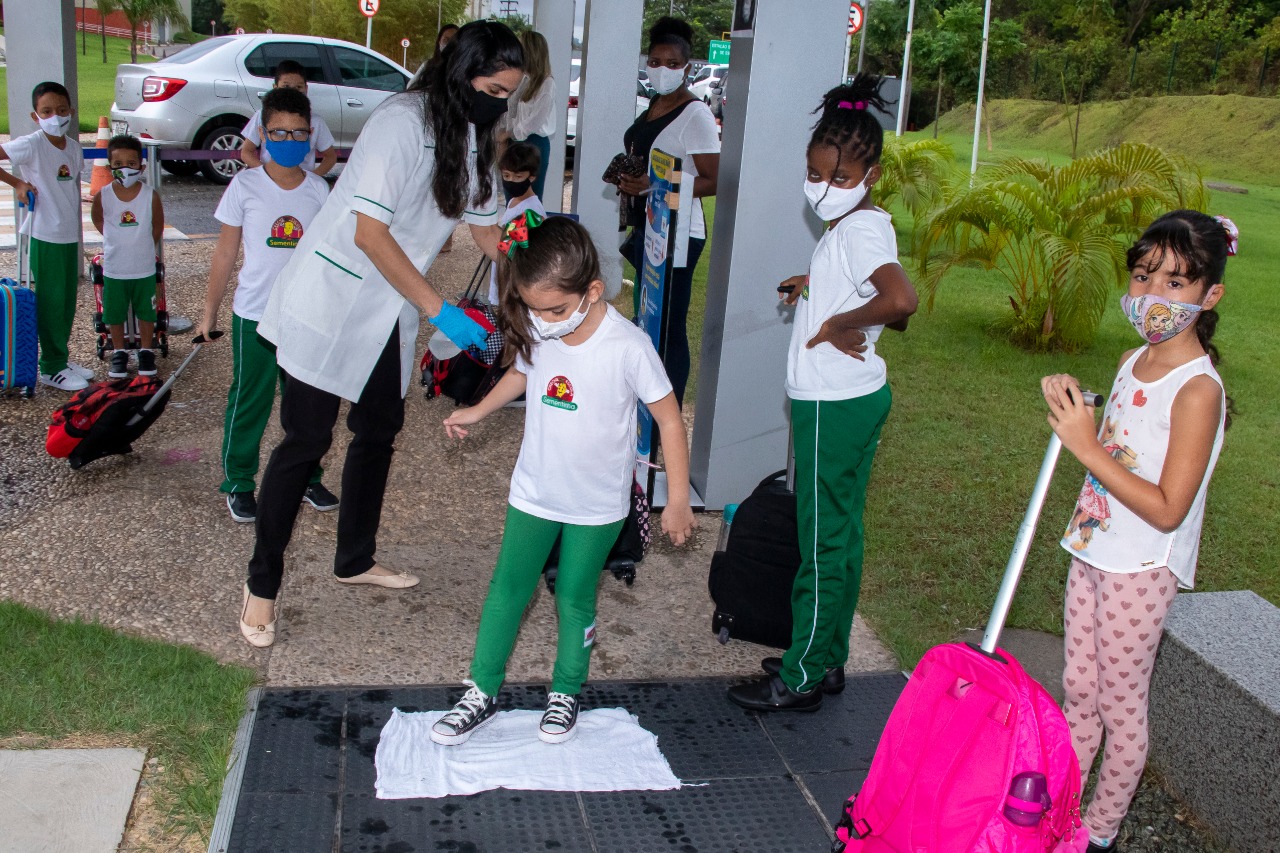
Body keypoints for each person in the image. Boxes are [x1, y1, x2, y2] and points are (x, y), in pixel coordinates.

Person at [235, 21, 523, 649]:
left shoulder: (474, 138)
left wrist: (537, 278)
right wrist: (444, 312)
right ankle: (262, 587)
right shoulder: (400, 122)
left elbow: (486, 230)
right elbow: (371, 234)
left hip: (390, 306)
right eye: (496, 90)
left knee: (378, 432)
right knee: (305, 441)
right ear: (462, 74)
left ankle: (355, 559)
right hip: (333, 297)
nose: (502, 104)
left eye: (510, 94)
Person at [431, 214, 696, 746]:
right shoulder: (539, 325)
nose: (541, 320)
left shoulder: (628, 345)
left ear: (592, 291)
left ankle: (565, 691)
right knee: (508, 589)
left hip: (597, 503)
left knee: (575, 596)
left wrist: (679, 499)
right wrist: (478, 410)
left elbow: (668, 416)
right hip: (535, 491)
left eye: (553, 309)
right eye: (531, 308)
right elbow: (522, 372)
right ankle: (481, 690)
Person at [1043, 211, 1234, 853]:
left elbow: (1168, 508)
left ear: (1210, 297)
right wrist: (1083, 414)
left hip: (1142, 567)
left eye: (1176, 283)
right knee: (1079, 690)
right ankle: (1061, 809)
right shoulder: (1134, 360)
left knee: (1121, 707)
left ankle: (1099, 832)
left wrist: (1084, 447)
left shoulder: (1197, 390)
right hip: (1094, 546)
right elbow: (1123, 450)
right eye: (1144, 275)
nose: (1153, 297)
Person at [728, 76, 918, 713]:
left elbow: (900, 302)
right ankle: (828, 655)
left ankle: (802, 673)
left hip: (829, 408)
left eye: (839, 178)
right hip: (855, 399)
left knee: (820, 542)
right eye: (815, 173)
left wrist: (836, 324)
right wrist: (814, 287)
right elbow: (860, 283)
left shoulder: (861, 231)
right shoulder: (860, 225)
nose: (823, 187)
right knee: (842, 534)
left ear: (872, 174)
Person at [196, 88, 340, 524]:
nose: (290, 140)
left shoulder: (319, 190)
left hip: (304, 314)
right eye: (280, 132)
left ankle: (306, 475)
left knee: (307, 403)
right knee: (250, 399)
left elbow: (331, 255)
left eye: (299, 133)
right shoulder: (244, 185)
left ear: (311, 135)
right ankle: (239, 481)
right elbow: (224, 254)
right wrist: (209, 311)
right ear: (262, 133)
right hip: (255, 314)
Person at [614, 17, 720, 407]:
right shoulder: (656, 103)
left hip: (678, 237)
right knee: (649, 321)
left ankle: (667, 412)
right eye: (655, 61)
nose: (662, 69)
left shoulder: (697, 115)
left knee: (669, 326)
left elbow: (714, 179)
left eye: (672, 63)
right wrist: (635, 182)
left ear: (687, 68)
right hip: (652, 228)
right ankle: (646, 400)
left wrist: (654, 186)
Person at [0, 82, 92, 391]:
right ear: (35, 115)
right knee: (51, 302)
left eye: (61, 110)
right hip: (44, 235)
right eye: (47, 111)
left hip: (68, 235)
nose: (55, 116)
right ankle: (50, 367)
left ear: (71, 112)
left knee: (66, 301)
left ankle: (60, 357)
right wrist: (17, 183)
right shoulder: (32, 144)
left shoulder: (74, 148)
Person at [90, 135, 164, 380]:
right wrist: (115, 240)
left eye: (131, 163)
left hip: (143, 267)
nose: (125, 168)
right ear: (110, 166)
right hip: (115, 268)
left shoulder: (149, 195)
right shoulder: (104, 195)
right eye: (118, 163)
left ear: (141, 166)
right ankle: (119, 352)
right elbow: (99, 219)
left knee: (146, 311)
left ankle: (145, 350)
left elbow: (157, 226)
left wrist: (140, 245)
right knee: (114, 312)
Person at [240, 60, 338, 177]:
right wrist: (266, 173)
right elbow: (246, 152)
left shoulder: (316, 122)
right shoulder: (261, 116)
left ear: (306, 89)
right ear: (275, 87)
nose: (292, 92)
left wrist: (312, 178)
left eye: (298, 87)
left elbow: (331, 157)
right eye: (285, 86)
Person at [486, 141, 546, 305]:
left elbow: (511, 248)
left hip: (514, 290)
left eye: (518, 177)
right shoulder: (514, 201)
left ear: (531, 177)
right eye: (506, 176)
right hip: (503, 280)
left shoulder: (531, 210)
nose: (511, 181)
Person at [498, 30, 556, 201]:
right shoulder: (523, 80)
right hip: (514, 143)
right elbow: (510, 111)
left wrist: (508, 134)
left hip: (534, 144)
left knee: (531, 197)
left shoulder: (547, 83)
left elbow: (535, 121)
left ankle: (531, 229)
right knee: (512, 195)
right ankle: (513, 228)